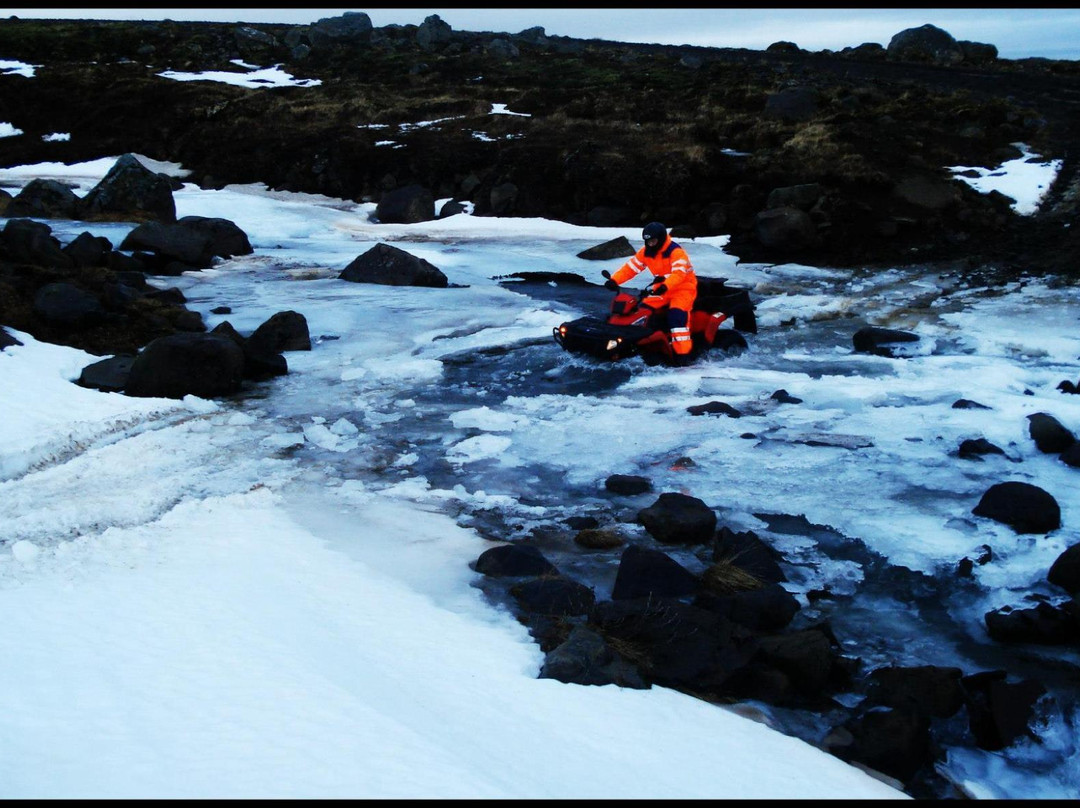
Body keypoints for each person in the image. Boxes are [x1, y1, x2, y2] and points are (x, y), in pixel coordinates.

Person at [604, 221, 698, 359]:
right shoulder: (646, 252)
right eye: (647, 242)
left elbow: (679, 274)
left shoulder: (676, 252)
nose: (650, 244)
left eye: (653, 241)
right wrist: (614, 280)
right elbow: (631, 268)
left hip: (683, 288)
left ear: (661, 239)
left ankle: (682, 355)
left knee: (676, 317)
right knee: (641, 311)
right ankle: (641, 343)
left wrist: (665, 286)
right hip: (661, 289)